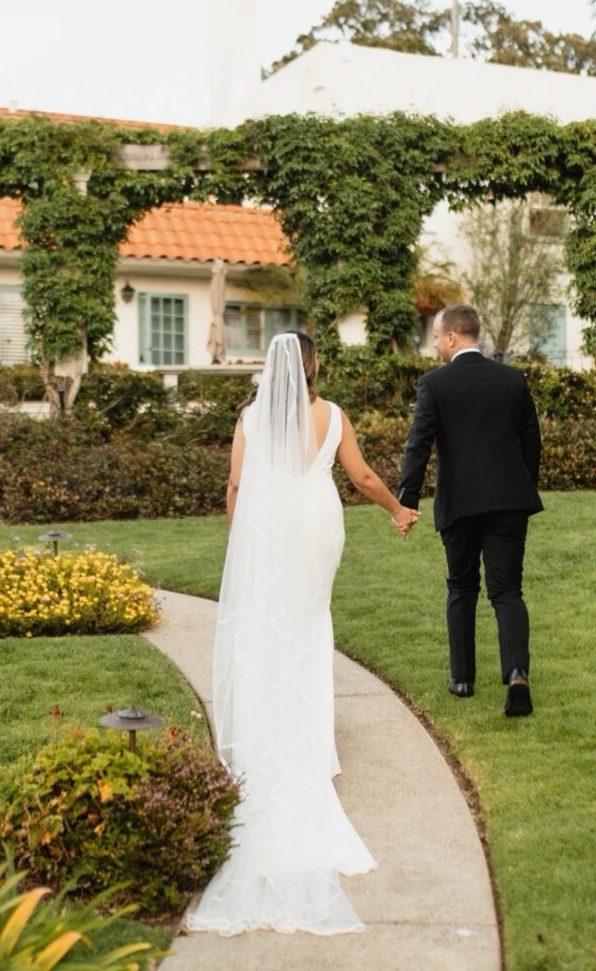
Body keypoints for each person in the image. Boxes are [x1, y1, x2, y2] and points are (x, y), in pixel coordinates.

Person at [185, 331, 419, 936]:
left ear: (272, 367)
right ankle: (312, 748)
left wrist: (242, 543)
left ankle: (269, 734)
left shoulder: (249, 417)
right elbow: (363, 477)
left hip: (266, 537)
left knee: (269, 629)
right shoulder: (332, 415)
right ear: (314, 367)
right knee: (310, 627)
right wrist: (397, 510)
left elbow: (236, 487)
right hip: (316, 532)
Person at [395, 304, 542, 717]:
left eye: (438, 338)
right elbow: (532, 440)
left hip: (459, 503)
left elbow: (418, 444)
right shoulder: (513, 379)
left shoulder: (434, 384)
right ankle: (516, 673)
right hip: (510, 502)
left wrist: (406, 501)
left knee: (461, 588)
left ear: (454, 338)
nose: (436, 345)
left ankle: (462, 679)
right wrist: (523, 485)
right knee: (507, 591)